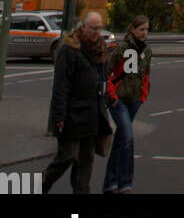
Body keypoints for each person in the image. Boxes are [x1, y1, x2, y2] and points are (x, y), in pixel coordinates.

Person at [44, 10, 110, 195]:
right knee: (66, 157)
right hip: (71, 115)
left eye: (99, 28)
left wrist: (104, 102)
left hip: (91, 115)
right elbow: (60, 86)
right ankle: (40, 185)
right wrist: (59, 116)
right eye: (93, 28)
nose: (96, 32)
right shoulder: (70, 50)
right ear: (83, 27)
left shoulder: (100, 50)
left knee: (85, 163)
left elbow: (103, 79)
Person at [103, 14, 151, 195]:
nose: (144, 33)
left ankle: (109, 183)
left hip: (134, 100)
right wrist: (112, 95)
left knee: (121, 140)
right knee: (128, 138)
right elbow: (107, 71)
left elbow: (145, 74)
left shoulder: (147, 51)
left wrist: (143, 95)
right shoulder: (122, 48)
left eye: (146, 29)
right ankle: (125, 184)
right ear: (133, 29)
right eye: (141, 30)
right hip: (119, 99)